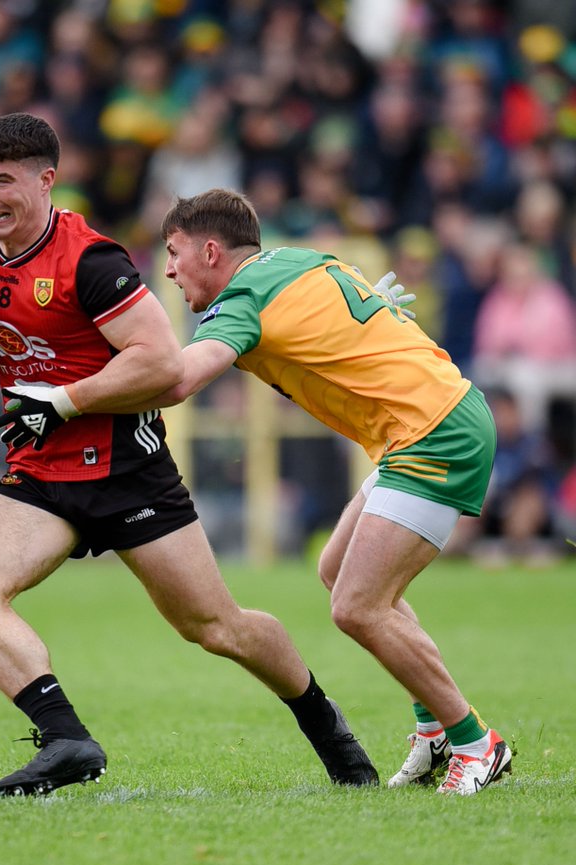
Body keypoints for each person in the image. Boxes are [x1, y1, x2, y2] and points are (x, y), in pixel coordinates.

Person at [0, 112, 377, 796]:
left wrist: (65, 401)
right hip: (39, 474)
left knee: (217, 626)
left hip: (128, 473)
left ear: (47, 181)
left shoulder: (90, 260)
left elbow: (162, 365)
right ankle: (65, 737)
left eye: (2, 181)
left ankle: (323, 721)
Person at [134, 187, 510, 795]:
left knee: (358, 606)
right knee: (338, 571)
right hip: (425, 422)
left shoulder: (241, 299)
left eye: (174, 253)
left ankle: (474, 741)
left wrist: (81, 396)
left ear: (210, 250)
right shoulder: (302, 259)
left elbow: (180, 380)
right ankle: (435, 731)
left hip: (433, 433)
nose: (170, 269)